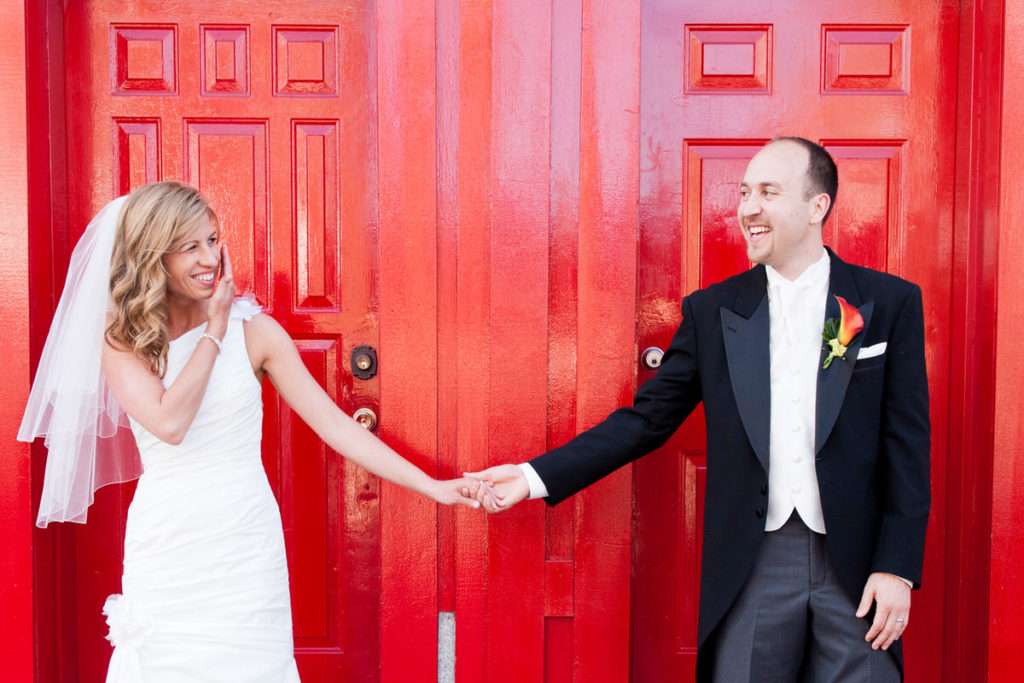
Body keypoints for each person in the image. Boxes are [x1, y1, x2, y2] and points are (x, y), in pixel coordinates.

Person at [468, 137, 930, 682]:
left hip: (857, 564)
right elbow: (647, 421)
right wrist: (532, 476)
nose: (747, 209)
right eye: (744, 193)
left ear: (816, 207)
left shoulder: (890, 302)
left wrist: (896, 567)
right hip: (755, 560)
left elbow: (907, 447)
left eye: (767, 192)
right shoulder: (714, 311)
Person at [19, 181, 480, 681]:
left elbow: (335, 427)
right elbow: (170, 422)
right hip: (167, 541)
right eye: (190, 246)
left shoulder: (256, 332)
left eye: (213, 240)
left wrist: (432, 486)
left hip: (244, 538)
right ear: (153, 257)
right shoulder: (124, 342)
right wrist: (213, 333)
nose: (209, 258)